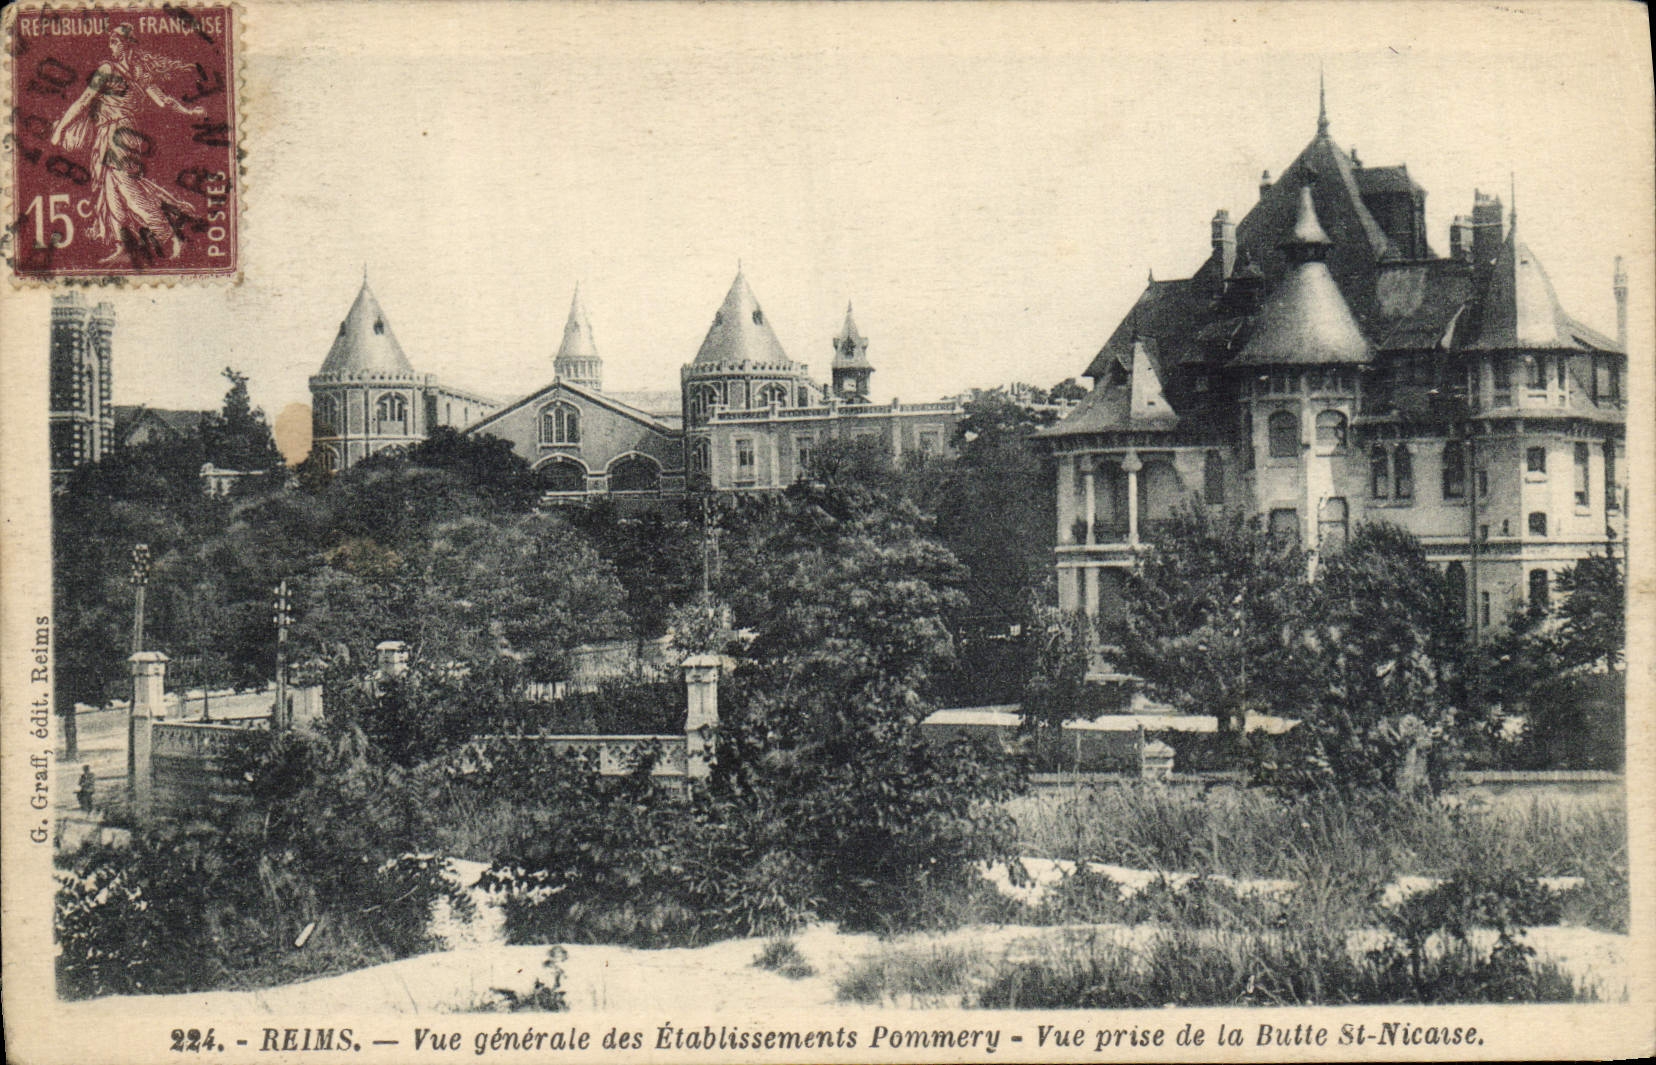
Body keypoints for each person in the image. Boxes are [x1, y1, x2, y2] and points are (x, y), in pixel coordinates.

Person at [49, 24, 206, 261]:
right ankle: (125, 245)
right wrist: (189, 110)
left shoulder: (108, 69)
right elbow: (163, 101)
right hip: (120, 133)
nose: (111, 46)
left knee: (128, 190)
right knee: (111, 191)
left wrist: (60, 130)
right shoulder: (139, 72)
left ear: (124, 45)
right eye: (111, 42)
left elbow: (83, 102)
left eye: (114, 42)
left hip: (116, 134)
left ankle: (169, 236)